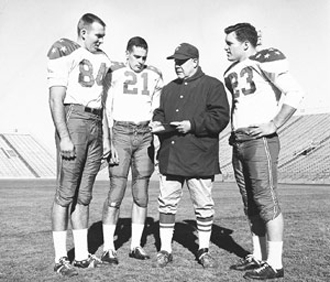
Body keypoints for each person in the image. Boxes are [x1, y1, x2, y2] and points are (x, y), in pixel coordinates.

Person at [223, 23, 304, 280]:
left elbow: (295, 91)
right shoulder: (232, 69)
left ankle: (275, 264)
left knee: (266, 201)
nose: (226, 48)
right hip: (239, 140)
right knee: (251, 204)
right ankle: (258, 256)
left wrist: (275, 123)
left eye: (230, 43)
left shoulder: (264, 60)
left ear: (245, 44)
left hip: (259, 139)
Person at [150, 43, 230, 268]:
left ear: (195, 61)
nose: (177, 65)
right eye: (175, 61)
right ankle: (165, 249)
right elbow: (161, 112)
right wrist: (157, 121)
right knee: (166, 204)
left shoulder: (212, 85)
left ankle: (203, 249)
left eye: (182, 61)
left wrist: (192, 124)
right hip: (171, 155)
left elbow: (220, 118)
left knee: (203, 205)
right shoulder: (168, 88)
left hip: (200, 156)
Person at [47, 13, 111, 277]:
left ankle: (82, 256)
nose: (101, 40)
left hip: (96, 121)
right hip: (74, 118)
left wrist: (106, 136)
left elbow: (103, 100)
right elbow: (55, 99)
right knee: (65, 194)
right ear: (83, 33)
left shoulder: (104, 58)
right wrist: (64, 135)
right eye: (98, 35)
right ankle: (61, 257)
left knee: (84, 196)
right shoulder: (64, 53)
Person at [101, 36, 163, 264]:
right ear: (127, 53)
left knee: (141, 193)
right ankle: (108, 247)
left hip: (145, 133)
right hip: (121, 131)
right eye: (136, 56)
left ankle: (136, 245)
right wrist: (107, 139)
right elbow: (105, 108)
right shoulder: (114, 72)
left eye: (144, 57)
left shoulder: (155, 74)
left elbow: (157, 108)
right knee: (116, 191)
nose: (140, 61)